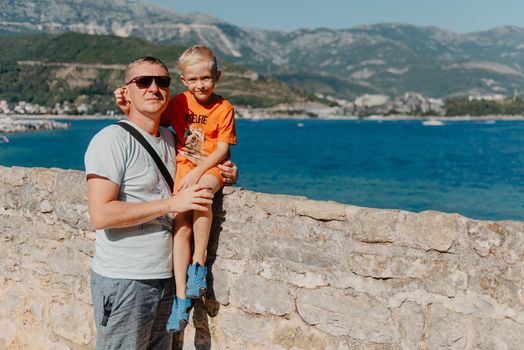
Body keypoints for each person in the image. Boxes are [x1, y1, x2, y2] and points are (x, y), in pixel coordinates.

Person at [86, 56, 238, 349]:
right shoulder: (111, 141)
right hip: (125, 282)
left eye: (161, 81)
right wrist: (172, 204)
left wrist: (227, 172)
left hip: (167, 279)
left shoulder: (173, 139)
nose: (153, 88)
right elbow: (101, 214)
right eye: (143, 82)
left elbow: (208, 159)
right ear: (126, 91)